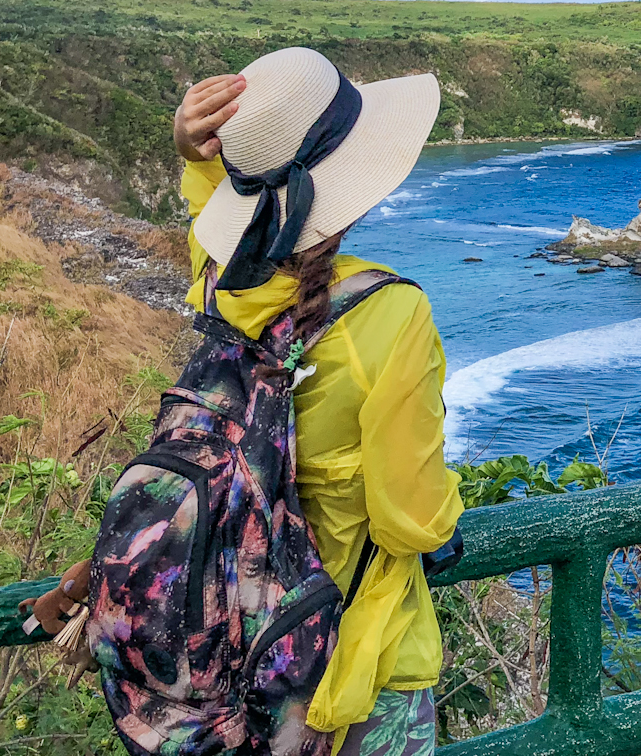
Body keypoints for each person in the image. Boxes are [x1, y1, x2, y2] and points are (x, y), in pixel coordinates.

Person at [172, 47, 463, 755]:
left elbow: (227, 225)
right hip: (352, 660)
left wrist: (200, 158)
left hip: (233, 646)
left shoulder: (216, 281)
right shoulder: (387, 314)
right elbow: (410, 522)